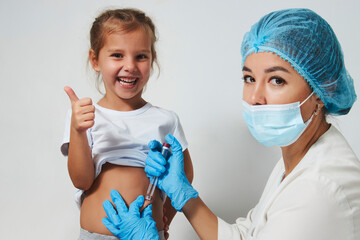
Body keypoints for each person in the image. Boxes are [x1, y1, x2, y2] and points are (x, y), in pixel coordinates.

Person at [101, 8, 360, 240]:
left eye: (277, 80)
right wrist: (184, 195)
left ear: (323, 90)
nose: (255, 97)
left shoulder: (319, 188)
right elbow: (244, 237)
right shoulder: (297, 159)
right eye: (249, 78)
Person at [60, 8, 194, 240]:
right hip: (97, 234)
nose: (130, 65)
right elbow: (81, 181)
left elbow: (184, 177)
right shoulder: (85, 117)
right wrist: (78, 131)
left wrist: (166, 216)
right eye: (117, 55)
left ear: (152, 60)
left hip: (149, 233)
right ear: (95, 60)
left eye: (141, 56)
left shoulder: (166, 120)